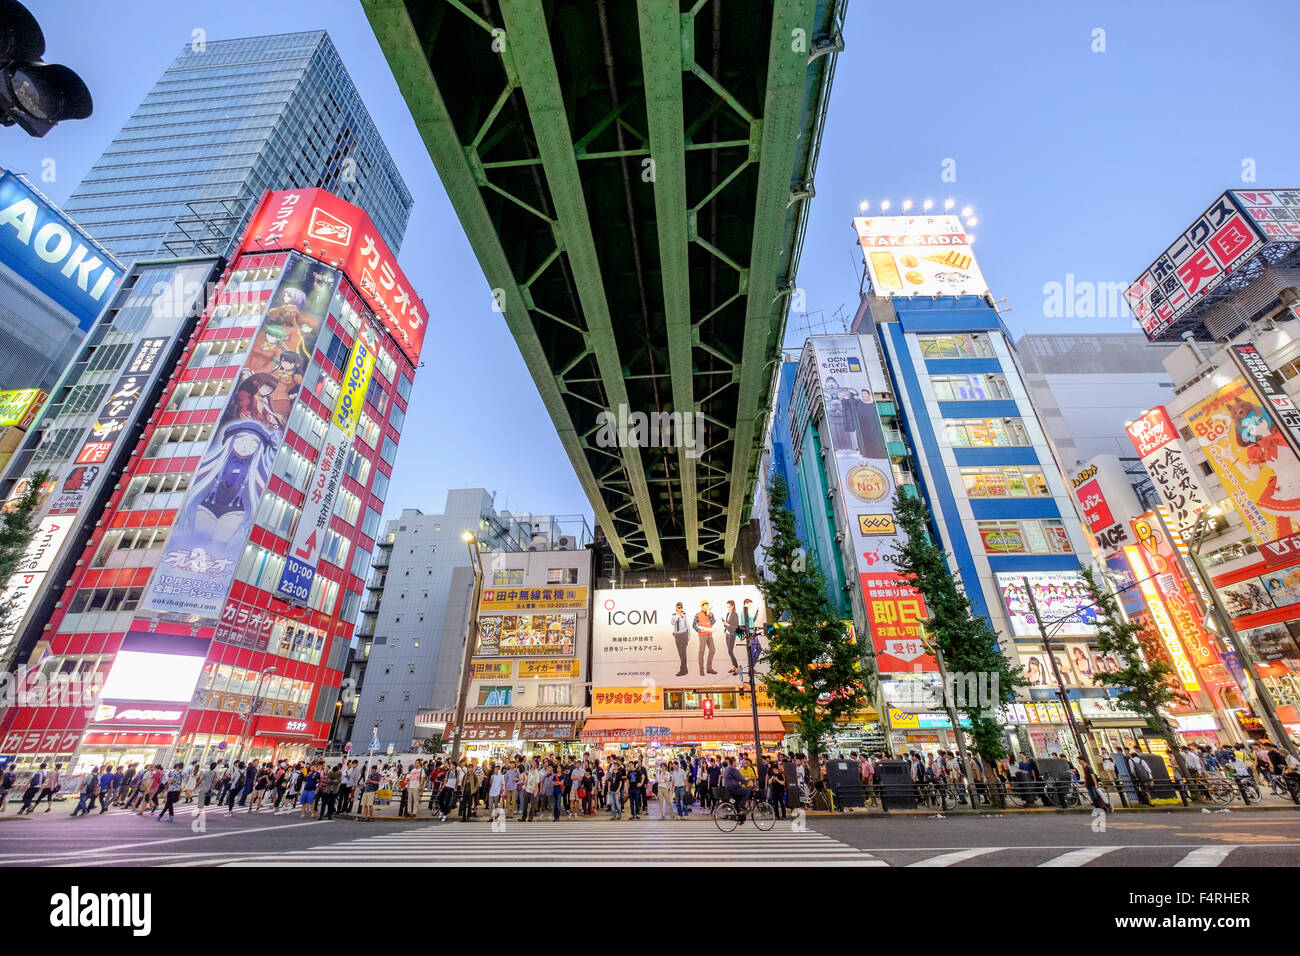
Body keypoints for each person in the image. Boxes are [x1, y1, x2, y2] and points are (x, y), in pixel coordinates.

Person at [693, 600, 717, 676]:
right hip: (702, 634)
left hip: (709, 634)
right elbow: (694, 625)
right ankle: (701, 670)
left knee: (712, 650)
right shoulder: (698, 614)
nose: (707, 606)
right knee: (701, 651)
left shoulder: (710, 614)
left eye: (707, 605)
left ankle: (709, 668)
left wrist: (708, 615)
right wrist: (699, 630)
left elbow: (713, 622)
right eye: (705, 605)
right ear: (702, 606)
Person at [671, 602, 691, 677]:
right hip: (677, 635)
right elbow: (672, 622)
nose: (680, 609)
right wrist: (678, 615)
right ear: (676, 608)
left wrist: (689, 636)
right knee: (681, 653)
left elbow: (687, 625)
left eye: (681, 607)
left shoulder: (684, 615)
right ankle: (685, 670)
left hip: (684, 634)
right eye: (678, 607)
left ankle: (683, 670)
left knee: (683, 653)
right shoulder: (674, 615)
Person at [723, 600, 741, 676]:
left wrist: (728, 625)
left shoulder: (735, 615)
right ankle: (733, 666)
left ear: (733, 606)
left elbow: (736, 626)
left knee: (730, 652)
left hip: (732, 635)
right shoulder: (728, 614)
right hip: (727, 634)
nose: (728, 608)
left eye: (729, 606)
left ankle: (737, 668)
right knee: (729, 651)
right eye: (727, 606)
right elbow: (726, 624)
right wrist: (725, 624)